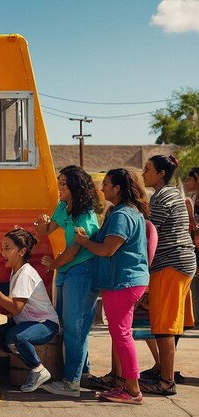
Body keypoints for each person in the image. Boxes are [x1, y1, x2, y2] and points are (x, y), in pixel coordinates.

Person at [74, 168, 151, 405]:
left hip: (123, 281)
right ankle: (125, 385)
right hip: (125, 280)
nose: (102, 188)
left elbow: (108, 249)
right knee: (121, 333)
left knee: (122, 334)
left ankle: (132, 390)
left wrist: (84, 242)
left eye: (106, 184)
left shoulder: (122, 215)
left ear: (117, 188)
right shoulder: (125, 212)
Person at [35, 165, 101, 397]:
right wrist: (41, 223)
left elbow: (75, 249)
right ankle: (82, 373)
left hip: (82, 271)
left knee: (75, 327)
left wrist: (54, 264)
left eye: (64, 183)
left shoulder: (86, 214)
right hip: (66, 271)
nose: (60, 186)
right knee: (69, 325)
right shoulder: (63, 206)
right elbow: (46, 231)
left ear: (76, 185)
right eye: (59, 182)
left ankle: (71, 382)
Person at [139, 155, 196, 395]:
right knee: (171, 323)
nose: (143, 174)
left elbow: (149, 233)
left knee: (165, 327)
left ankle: (166, 381)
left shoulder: (162, 198)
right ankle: (162, 369)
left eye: (148, 169)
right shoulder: (172, 194)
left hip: (170, 265)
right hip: (181, 263)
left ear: (161, 173)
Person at [0, 227, 59, 393]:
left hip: (46, 325)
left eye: (8, 248)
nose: (2, 252)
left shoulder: (25, 273)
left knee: (16, 337)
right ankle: (29, 362)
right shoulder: (15, 271)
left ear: (22, 251)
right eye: (2, 248)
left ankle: (38, 368)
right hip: (26, 323)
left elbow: (16, 308)